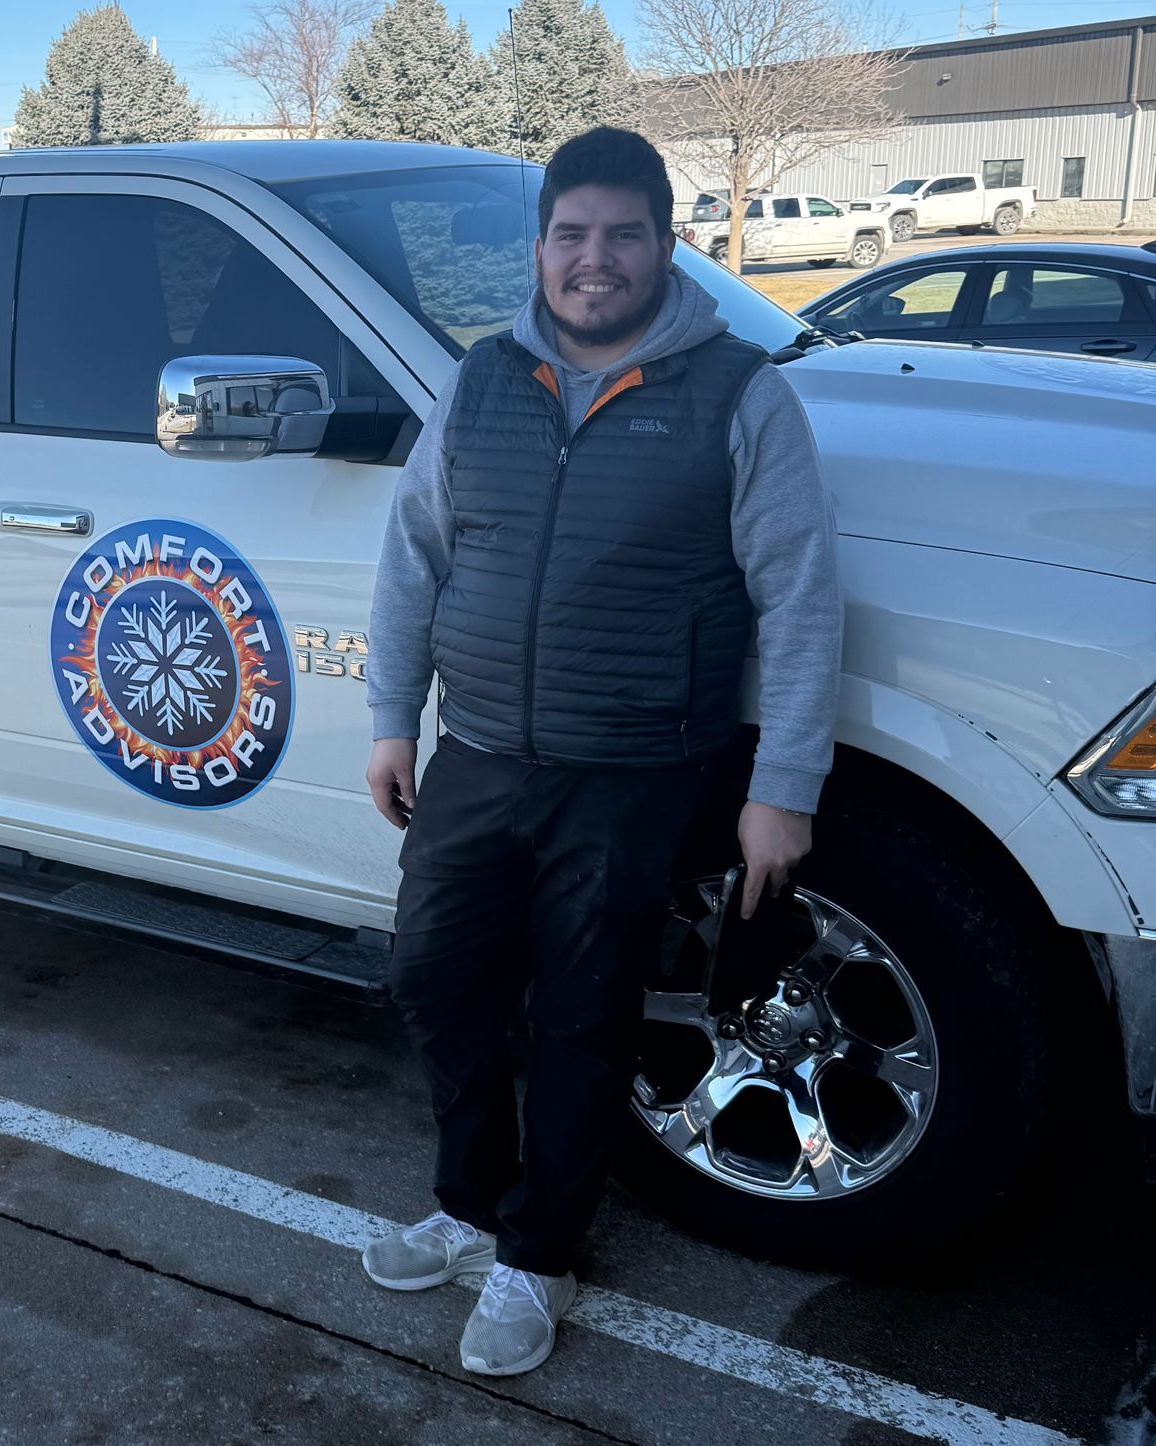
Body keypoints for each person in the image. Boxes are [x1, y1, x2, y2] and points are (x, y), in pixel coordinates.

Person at [359, 128, 842, 1377]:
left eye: (624, 234)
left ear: (666, 245)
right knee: (434, 981)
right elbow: (414, 558)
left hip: (635, 770)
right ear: (539, 250)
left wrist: (782, 792)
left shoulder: (741, 395)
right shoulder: (480, 382)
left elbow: (799, 600)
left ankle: (538, 1257)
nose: (595, 260)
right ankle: (468, 1209)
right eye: (572, 234)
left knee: (581, 1017)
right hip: (481, 755)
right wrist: (392, 718)